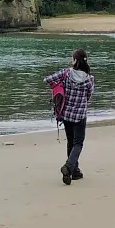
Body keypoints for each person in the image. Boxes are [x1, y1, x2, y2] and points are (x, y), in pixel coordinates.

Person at [45, 49, 95, 185]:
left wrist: (59, 87)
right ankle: (69, 167)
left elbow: (48, 79)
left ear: (75, 61)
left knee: (71, 141)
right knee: (78, 143)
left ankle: (74, 171)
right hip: (80, 114)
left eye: (72, 58)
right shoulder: (88, 79)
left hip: (66, 114)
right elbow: (89, 95)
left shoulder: (66, 73)